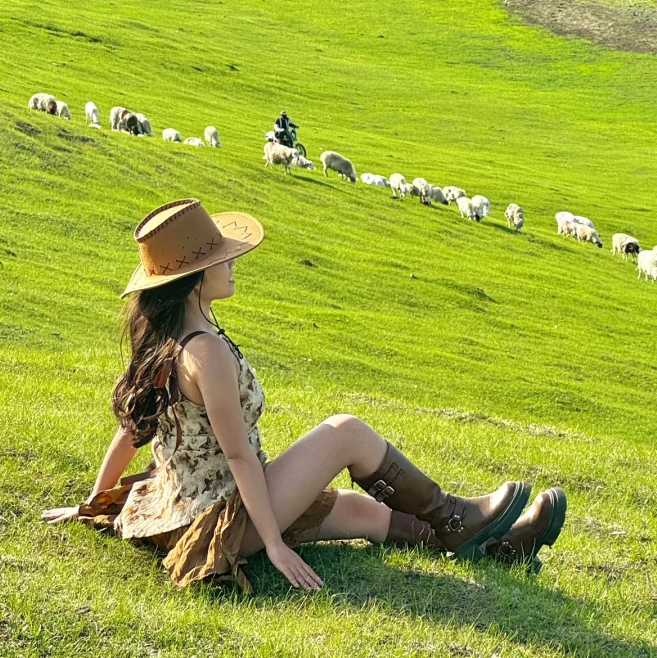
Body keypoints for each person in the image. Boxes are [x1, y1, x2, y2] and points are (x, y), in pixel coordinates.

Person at [43, 200, 566, 591]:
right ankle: (458, 517)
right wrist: (272, 544)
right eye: (223, 258)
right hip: (224, 519)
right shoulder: (205, 354)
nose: (232, 263)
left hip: (177, 514)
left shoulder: (166, 341)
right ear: (195, 276)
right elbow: (240, 457)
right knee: (346, 433)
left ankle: (499, 548)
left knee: (361, 512)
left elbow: (129, 435)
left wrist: (93, 503)